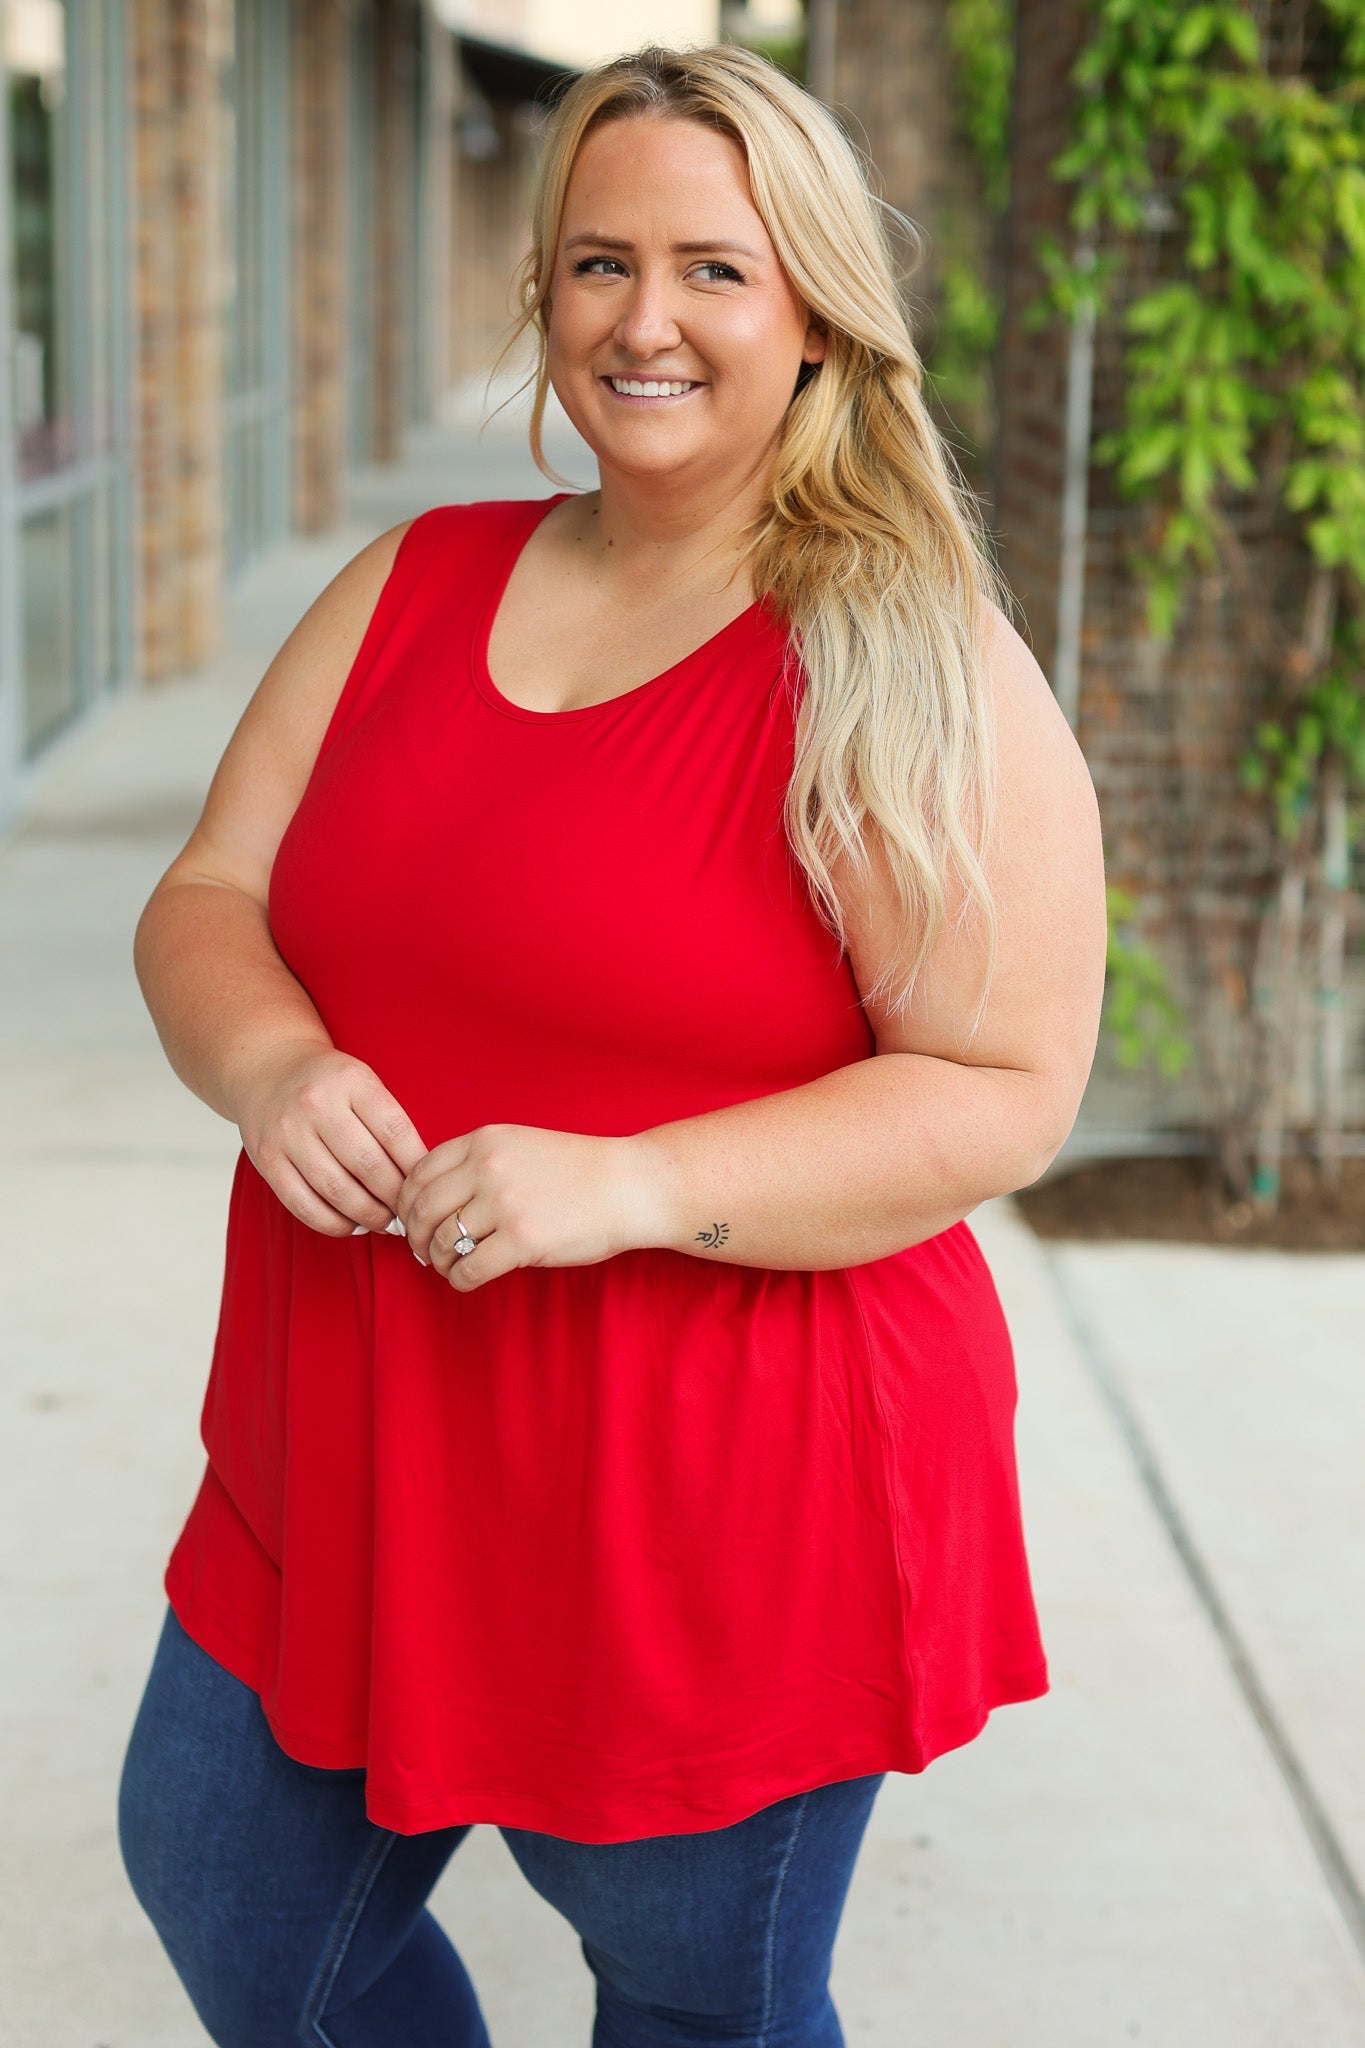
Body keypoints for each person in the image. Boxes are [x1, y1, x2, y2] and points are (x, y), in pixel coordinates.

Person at [116, 40, 1107, 2048]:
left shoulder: (897, 647)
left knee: (687, 2007)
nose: (640, 320)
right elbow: (207, 897)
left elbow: (1004, 1086)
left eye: (710, 268)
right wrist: (272, 1068)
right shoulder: (413, 579)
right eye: (594, 262)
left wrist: (635, 1179)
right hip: (356, 1420)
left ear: (813, 309)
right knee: (225, 1890)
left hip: (704, 1491)